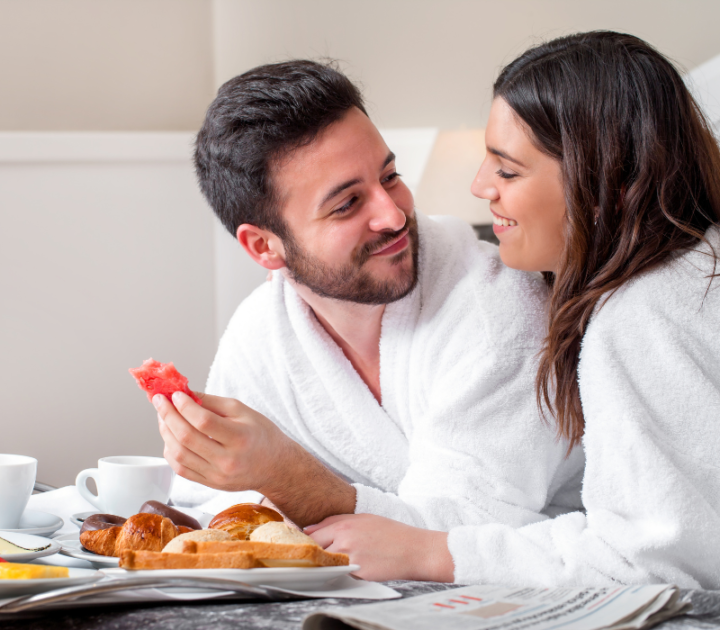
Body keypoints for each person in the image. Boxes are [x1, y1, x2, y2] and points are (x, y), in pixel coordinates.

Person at [307, 31, 720, 588]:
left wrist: (434, 553)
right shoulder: (697, 265)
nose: (480, 186)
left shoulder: (640, 316)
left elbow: (656, 559)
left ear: (611, 188)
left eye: (506, 170)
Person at [154, 60, 582, 534]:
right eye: (347, 204)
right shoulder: (263, 329)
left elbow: (464, 536)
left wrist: (283, 476)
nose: (394, 215)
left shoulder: (499, 308)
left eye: (390, 176)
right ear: (264, 246)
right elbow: (212, 504)